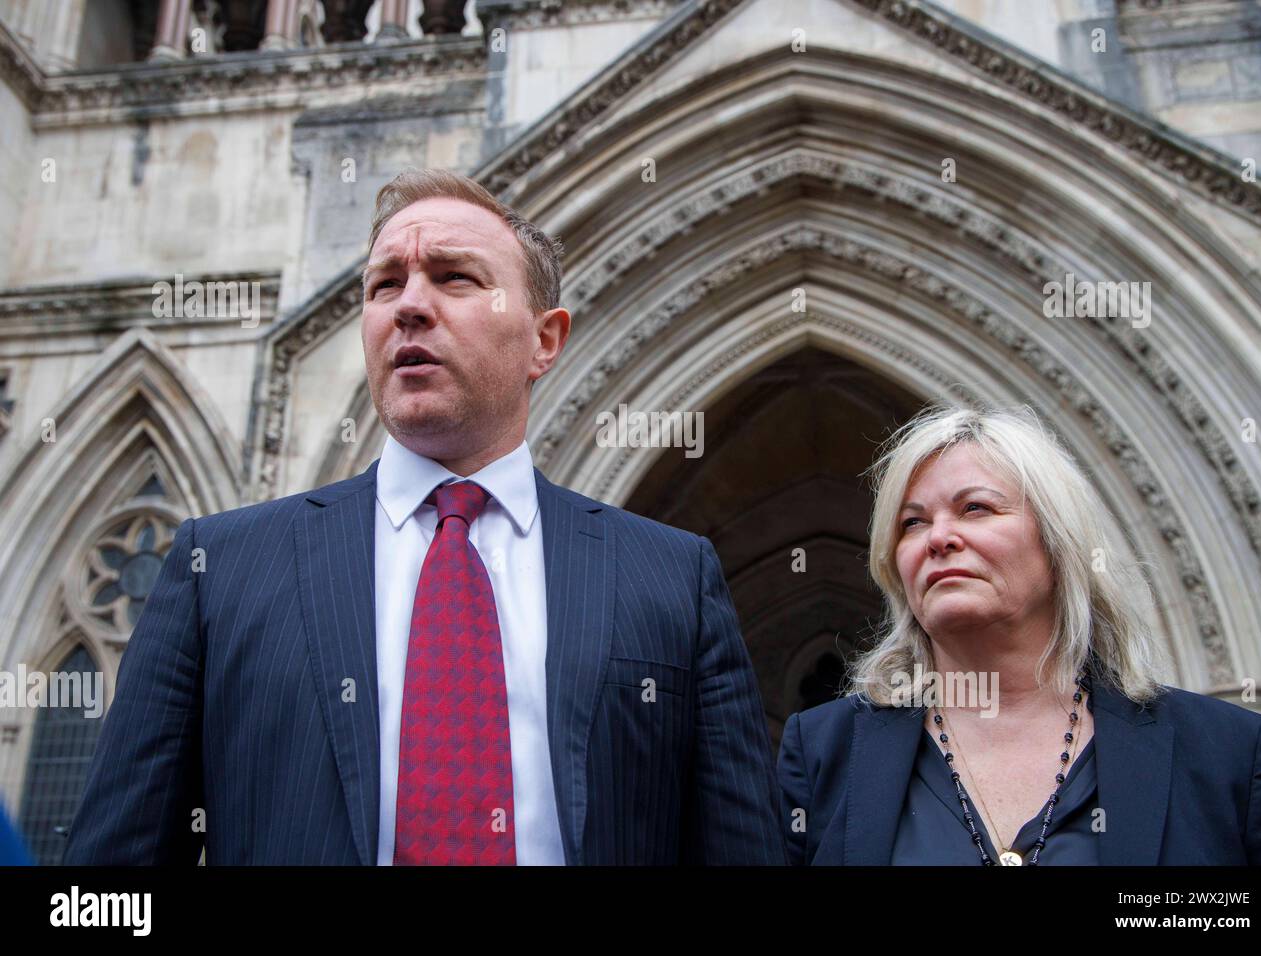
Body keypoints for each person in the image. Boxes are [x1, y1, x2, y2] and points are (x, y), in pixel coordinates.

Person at [64, 168, 783, 865]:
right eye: (385, 285)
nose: (409, 304)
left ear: (545, 338)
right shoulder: (218, 570)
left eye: (454, 277)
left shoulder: (670, 576)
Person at [778, 404, 1261, 865]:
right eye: (912, 523)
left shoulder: (1232, 755)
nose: (938, 538)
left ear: (1058, 542)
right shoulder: (824, 751)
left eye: (974, 508)